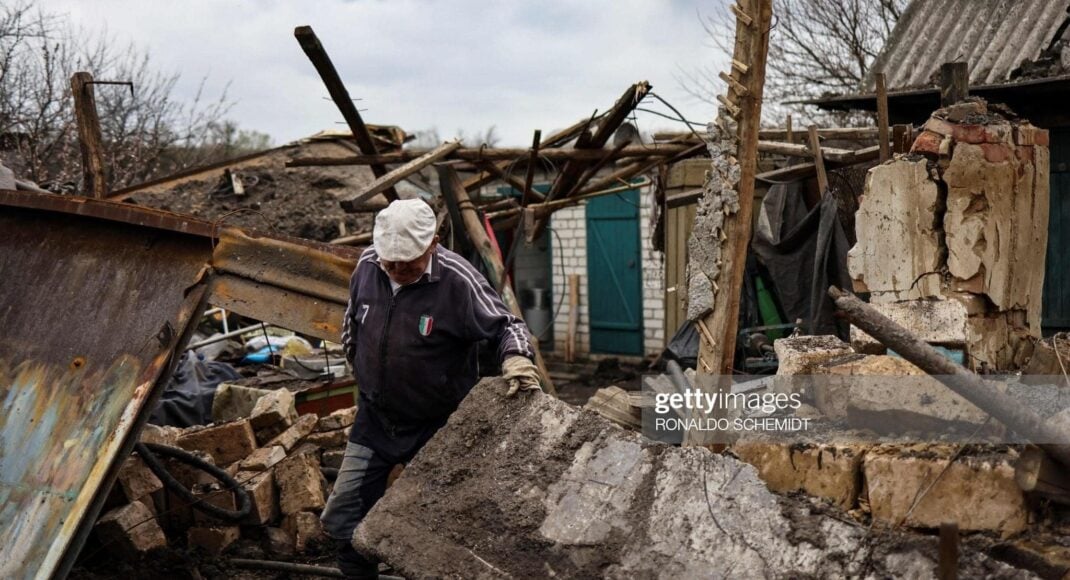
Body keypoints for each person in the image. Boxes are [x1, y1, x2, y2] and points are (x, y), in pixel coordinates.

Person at [320, 198, 542, 578]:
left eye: (409, 263)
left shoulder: (456, 278)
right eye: (391, 263)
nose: (397, 270)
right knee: (344, 516)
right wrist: (358, 364)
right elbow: (352, 321)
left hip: (439, 425)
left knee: (444, 523)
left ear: (433, 243)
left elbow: (508, 324)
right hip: (377, 418)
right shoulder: (367, 266)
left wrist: (517, 360)